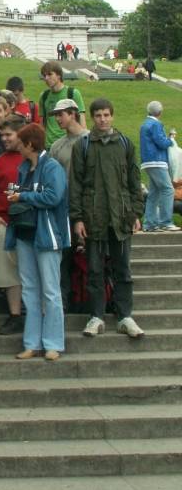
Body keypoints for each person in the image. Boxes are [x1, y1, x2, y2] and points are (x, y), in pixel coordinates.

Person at [70, 98, 145, 339]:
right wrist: (77, 218)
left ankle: (125, 316)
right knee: (94, 270)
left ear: (112, 116)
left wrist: (136, 213)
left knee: (123, 269)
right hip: (93, 218)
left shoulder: (125, 143)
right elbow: (75, 185)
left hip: (120, 218)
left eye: (106, 115)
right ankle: (96, 316)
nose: (103, 119)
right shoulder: (82, 146)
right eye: (98, 115)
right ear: (92, 118)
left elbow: (134, 182)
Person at [6, 123, 70, 361]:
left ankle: (53, 344)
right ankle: (32, 343)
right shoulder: (24, 168)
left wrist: (23, 196)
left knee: (51, 291)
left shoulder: (52, 166)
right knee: (30, 290)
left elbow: (53, 197)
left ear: (30, 145)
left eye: (21, 143)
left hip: (46, 235)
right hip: (25, 235)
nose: (17, 147)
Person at [48, 98, 89, 310]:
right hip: (63, 209)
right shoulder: (57, 146)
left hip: (87, 208)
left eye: (60, 114)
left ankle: (87, 301)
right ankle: (63, 302)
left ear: (73, 114)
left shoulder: (90, 140)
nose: (57, 119)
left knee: (88, 257)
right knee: (63, 257)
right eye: (56, 115)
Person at [0, 117, 27, 335]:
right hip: (3, 222)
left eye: (8, 135)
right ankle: (15, 315)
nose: (4, 139)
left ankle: (34, 313)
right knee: (7, 273)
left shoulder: (33, 158)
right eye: (2, 135)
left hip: (28, 223)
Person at [140, 101, 178, 232]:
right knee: (168, 190)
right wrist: (171, 139)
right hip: (157, 161)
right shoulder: (156, 124)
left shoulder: (145, 124)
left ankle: (149, 224)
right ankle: (165, 222)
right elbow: (161, 142)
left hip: (147, 162)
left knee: (154, 193)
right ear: (160, 112)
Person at [39, 61, 86, 148]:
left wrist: (84, 144)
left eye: (50, 74)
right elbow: (42, 123)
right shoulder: (44, 96)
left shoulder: (72, 93)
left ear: (59, 75)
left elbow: (82, 122)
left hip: (69, 144)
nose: (46, 78)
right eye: (44, 75)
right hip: (49, 145)